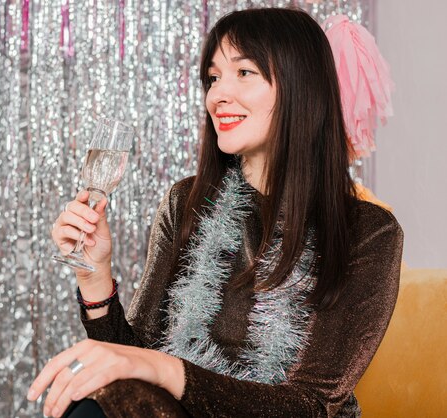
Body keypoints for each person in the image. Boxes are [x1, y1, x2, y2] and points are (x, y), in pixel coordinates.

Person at [28, 7, 403, 418]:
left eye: (244, 73)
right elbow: (135, 362)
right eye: (213, 77)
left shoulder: (369, 232)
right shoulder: (187, 202)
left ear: (302, 87)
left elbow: (310, 405)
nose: (217, 95)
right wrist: (93, 274)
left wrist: (167, 370)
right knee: (94, 402)